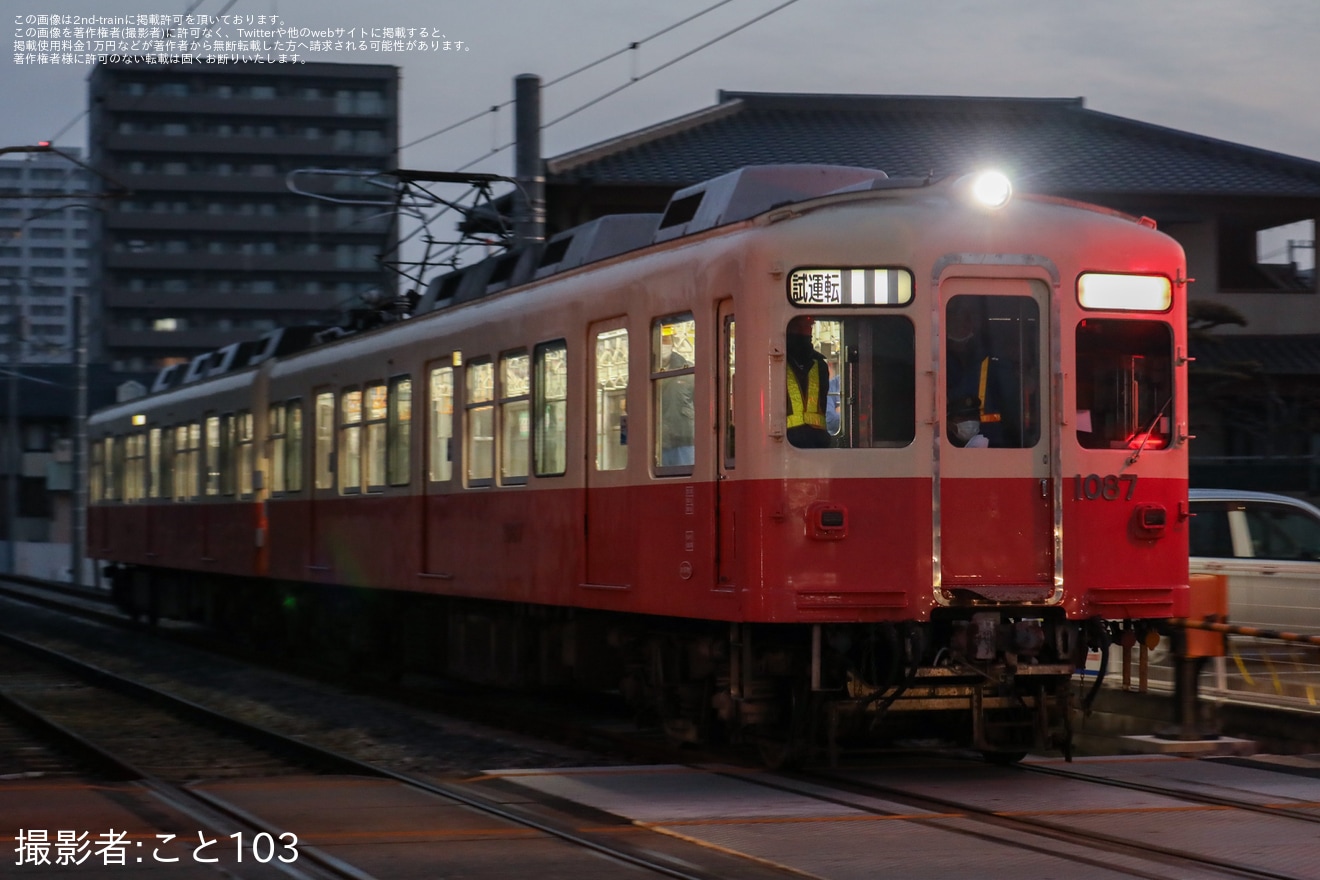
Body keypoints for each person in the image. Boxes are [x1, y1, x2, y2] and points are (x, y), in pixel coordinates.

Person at [785, 315, 831, 448]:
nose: (805, 332)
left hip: (817, 442)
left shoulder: (820, 365)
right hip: (787, 442)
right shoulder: (776, 362)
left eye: (808, 327)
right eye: (800, 327)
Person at [660, 352, 695, 466]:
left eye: (667, 338)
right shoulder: (642, 368)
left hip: (684, 439)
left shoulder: (689, 371)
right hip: (657, 442)